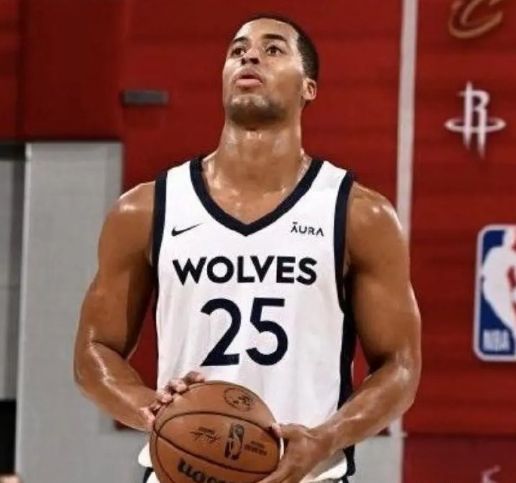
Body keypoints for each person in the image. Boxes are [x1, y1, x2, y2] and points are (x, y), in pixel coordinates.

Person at [74, 13, 421, 483]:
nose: (250, 56)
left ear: (309, 88)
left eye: (273, 49)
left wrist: (326, 438)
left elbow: (400, 367)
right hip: (184, 472)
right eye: (238, 50)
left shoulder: (359, 214)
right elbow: (94, 349)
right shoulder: (147, 209)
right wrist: (152, 410)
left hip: (306, 476)